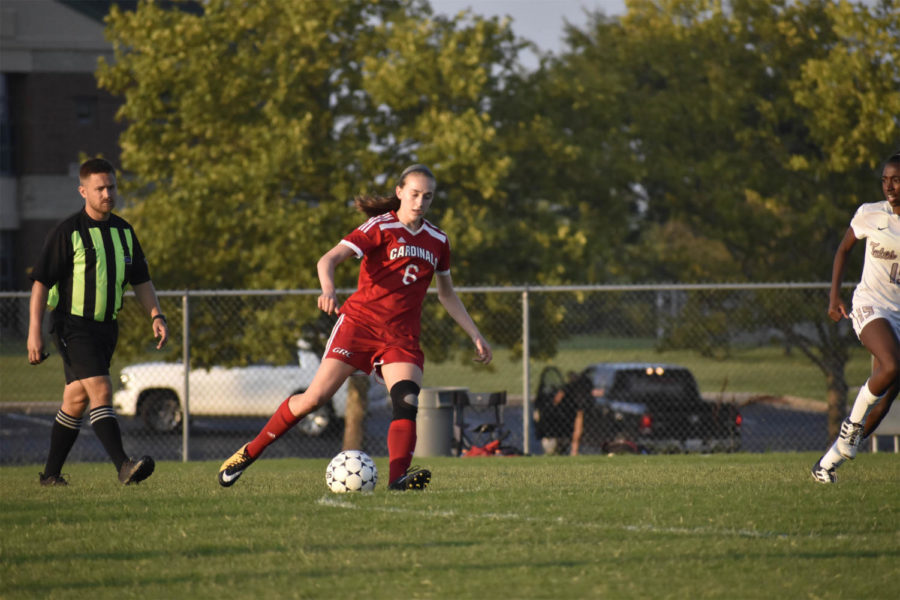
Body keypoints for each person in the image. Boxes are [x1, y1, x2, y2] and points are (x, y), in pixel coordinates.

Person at [218, 164, 492, 490]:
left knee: (406, 399)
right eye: (415, 194)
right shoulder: (380, 226)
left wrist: (475, 333)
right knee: (314, 399)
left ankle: (397, 480)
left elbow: (446, 294)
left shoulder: (437, 240)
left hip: (400, 337)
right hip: (359, 326)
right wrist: (328, 289)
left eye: (428, 196)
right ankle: (249, 452)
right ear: (401, 192)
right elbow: (328, 260)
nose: (420, 202)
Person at [27, 158, 168, 486]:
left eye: (111, 187)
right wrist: (34, 332)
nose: (107, 193)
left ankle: (50, 476)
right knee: (102, 389)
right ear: (83, 191)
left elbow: (141, 280)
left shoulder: (123, 232)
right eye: (99, 188)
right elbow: (40, 283)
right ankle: (123, 466)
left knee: (76, 399)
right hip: (72, 325)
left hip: (107, 328)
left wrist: (156, 315)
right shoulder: (67, 232)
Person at [812, 153, 900, 483]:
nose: (889, 186)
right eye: (885, 179)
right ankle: (850, 427)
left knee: (886, 399)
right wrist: (834, 296)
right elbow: (844, 249)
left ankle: (827, 463)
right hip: (870, 306)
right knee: (892, 364)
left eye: (896, 179)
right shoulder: (870, 213)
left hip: (899, 313)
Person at [536, 371, 590, 456]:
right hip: (579, 411)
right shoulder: (584, 386)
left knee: (577, 431)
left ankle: (574, 451)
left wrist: (553, 404)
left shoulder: (568, 387)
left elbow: (558, 397)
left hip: (577, 412)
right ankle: (573, 451)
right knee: (577, 431)